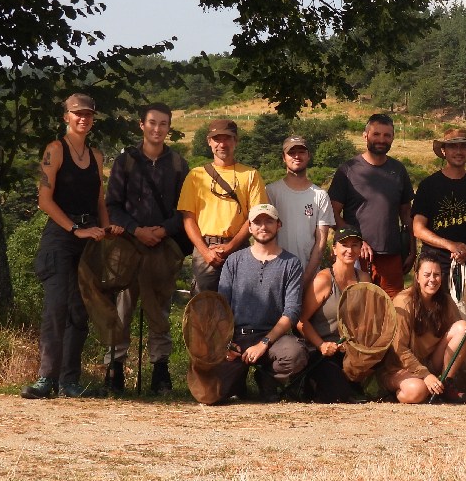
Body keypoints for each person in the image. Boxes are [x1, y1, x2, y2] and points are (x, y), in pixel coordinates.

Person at [22, 94, 124, 399]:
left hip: (89, 237)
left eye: (88, 114)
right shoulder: (55, 150)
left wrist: (106, 229)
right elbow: (44, 200)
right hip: (60, 238)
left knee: (80, 310)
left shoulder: (97, 155)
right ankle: (46, 379)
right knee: (57, 307)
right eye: (77, 113)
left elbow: (98, 200)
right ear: (66, 117)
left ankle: (69, 382)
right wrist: (75, 229)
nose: (83, 118)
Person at [103, 102, 189, 394]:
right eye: (152, 123)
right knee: (122, 309)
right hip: (128, 247)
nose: (157, 129)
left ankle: (160, 373)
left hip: (163, 248)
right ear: (142, 125)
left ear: (169, 127)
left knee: (160, 309)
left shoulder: (178, 164)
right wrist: (137, 230)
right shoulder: (125, 160)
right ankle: (114, 372)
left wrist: (163, 230)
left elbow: (186, 209)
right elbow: (112, 205)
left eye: (163, 124)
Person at [217, 204, 308, 402]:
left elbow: (292, 311)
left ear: (279, 225)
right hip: (237, 337)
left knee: (296, 354)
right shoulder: (234, 261)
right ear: (249, 227)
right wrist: (226, 343)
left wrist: (264, 343)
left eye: (269, 221)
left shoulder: (291, 263)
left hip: (273, 338)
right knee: (213, 395)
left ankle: (267, 381)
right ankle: (237, 381)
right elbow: (221, 307)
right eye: (257, 222)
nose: (263, 227)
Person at [178, 119, 267, 295]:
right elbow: (188, 219)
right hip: (205, 249)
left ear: (236, 140)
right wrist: (205, 252)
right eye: (217, 139)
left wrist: (231, 246)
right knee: (203, 309)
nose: (222, 144)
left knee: (241, 307)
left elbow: (255, 217)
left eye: (227, 138)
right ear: (209, 142)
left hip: (240, 249)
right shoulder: (195, 176)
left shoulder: (251, 175)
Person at [329, 114, 415, 295]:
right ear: (365, 136)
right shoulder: (348, 170)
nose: (381, 140)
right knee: (357, 311)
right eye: (376, 134)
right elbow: (332, 214)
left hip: (391, 255)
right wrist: (358, 241)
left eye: (387, 135)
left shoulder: (398, 170)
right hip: (355, 256)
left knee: (393, 313)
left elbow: (406, 215)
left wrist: (412, 250)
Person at [378, 253, 466, 404]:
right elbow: (399, 349)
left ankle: (446, 383)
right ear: (417, 276)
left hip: (430, 363)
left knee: (463, 328)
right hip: (399, 367)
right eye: (427, 275)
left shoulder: (446, 301)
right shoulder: (403, 302)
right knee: (416, 391)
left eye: (436, 275)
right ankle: (394, 393)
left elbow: (458, 332)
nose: (432, 280)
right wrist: (425, 375)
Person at [296, 226, 371, 403]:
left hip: (351, 349)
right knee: (336, 396)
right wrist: (321, 345)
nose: (349, 250)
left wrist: (356, 338)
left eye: (355, 245)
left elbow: (369, 318)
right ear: (334, 249)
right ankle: (316, 382)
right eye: (344, 245)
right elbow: (301, 321)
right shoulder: (324, 279)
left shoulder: (364, 279)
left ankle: (355, 383)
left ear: (360, 249)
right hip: (322, 350)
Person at [412, 128, 466, 282]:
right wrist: (451, 246)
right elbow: (418, 229)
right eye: (453, 147)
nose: (459, 151)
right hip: (434, 268)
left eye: (463, 146)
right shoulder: (428, 186)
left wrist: (465, 252)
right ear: (444, 151)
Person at [267, 135, 335, 293]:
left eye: (301, 152)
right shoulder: (271, 192)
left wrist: (306, 279)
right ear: (284, 158)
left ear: (309, 156)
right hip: (276, 276)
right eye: (292, 153)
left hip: (310, 279)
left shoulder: (320, 195)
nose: (297, 156)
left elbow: (321, 241)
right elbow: (264, 235)